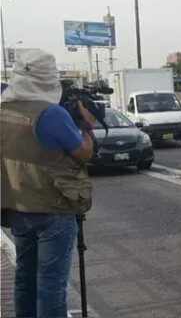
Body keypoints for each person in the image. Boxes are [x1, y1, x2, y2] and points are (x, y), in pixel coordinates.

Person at [1, 49, 94, 318]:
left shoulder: (3, 110)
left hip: (17, 208)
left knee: (25, 277)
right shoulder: (50, 114)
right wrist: (87, 126)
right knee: (50, 285)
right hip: (53, 210)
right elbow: (83, 154)